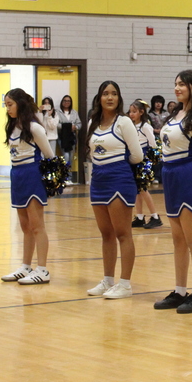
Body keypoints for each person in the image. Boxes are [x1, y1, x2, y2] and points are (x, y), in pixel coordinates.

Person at [154, 70, 192, 314]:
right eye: (176, 83)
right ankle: (180, 291)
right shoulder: (175, 114)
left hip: (189, 175)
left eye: (183, 84)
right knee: (178, 240)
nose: (177, 88)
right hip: (171, 178)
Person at [85, 81, 143, 299]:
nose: (110, 97)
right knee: (106, 233)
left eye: (114, 94)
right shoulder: (93, 122)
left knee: (122, 233)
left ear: (119, 98)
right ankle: (108, 280)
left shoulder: (124, 122)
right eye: (105, 93)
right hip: (98, 180)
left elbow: (137, 155)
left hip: (119, 179)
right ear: (99, 97)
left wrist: (117, 165)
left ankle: (125, 284)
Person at [0, 89, 57, 283]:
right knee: (24, 226)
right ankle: (25, 266)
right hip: (16, 176)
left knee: (36, 224)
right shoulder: (12, 126)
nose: (7, 109)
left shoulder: (35, 128)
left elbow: (49, 155)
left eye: (10, 104)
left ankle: (42, 269)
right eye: (6, 105)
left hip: (32, 175)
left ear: (20, 104)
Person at [129, 99, 163, 229]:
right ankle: (140, 217)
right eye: (130, 112)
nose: (131, 114)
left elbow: (153, 144)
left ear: (141, 112)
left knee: (143, 189)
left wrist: (147, 159)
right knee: (137, 190)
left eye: (134, 111)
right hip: (133, 159)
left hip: (142, 161)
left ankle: (155, 216)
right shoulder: (131, 126)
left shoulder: (146, 126)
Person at [57, 95, 82, 185]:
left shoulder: (74, 112)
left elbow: (79, 123)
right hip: (62, 137)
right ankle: (64, 177)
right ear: (62, 102)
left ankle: (70, 178)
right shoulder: (57, 112)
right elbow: (57, 124)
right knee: (65, 156)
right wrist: (67, 127)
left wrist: (75, 127)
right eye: (65, 100)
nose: (66, 102)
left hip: (72, 137)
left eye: (68, 101)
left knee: (71, 157)